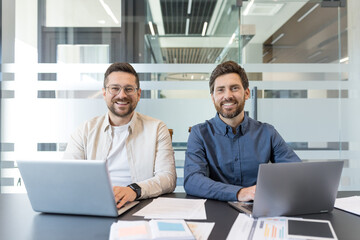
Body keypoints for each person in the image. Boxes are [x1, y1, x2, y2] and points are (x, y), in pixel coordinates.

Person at [184, 61, 301, 202]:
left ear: (246, 93)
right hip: (216, 210)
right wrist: (240, 193)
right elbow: (192, 180)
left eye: (234, 88)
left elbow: (295, 172)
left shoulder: (267, 132)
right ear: (213, 97)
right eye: (220, 90)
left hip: (259, 209)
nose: (227, 96)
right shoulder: (199, 134)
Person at [64, 62, 176, 208]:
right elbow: (68, 175)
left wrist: (134, 190)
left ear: (138, 94)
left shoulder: (157, 128)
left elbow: (168, 178)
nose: (122, 95)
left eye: (129, 89)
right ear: (104, 93)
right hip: (94, 205)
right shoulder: (85, 130)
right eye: (115, 88)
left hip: (139, 205)